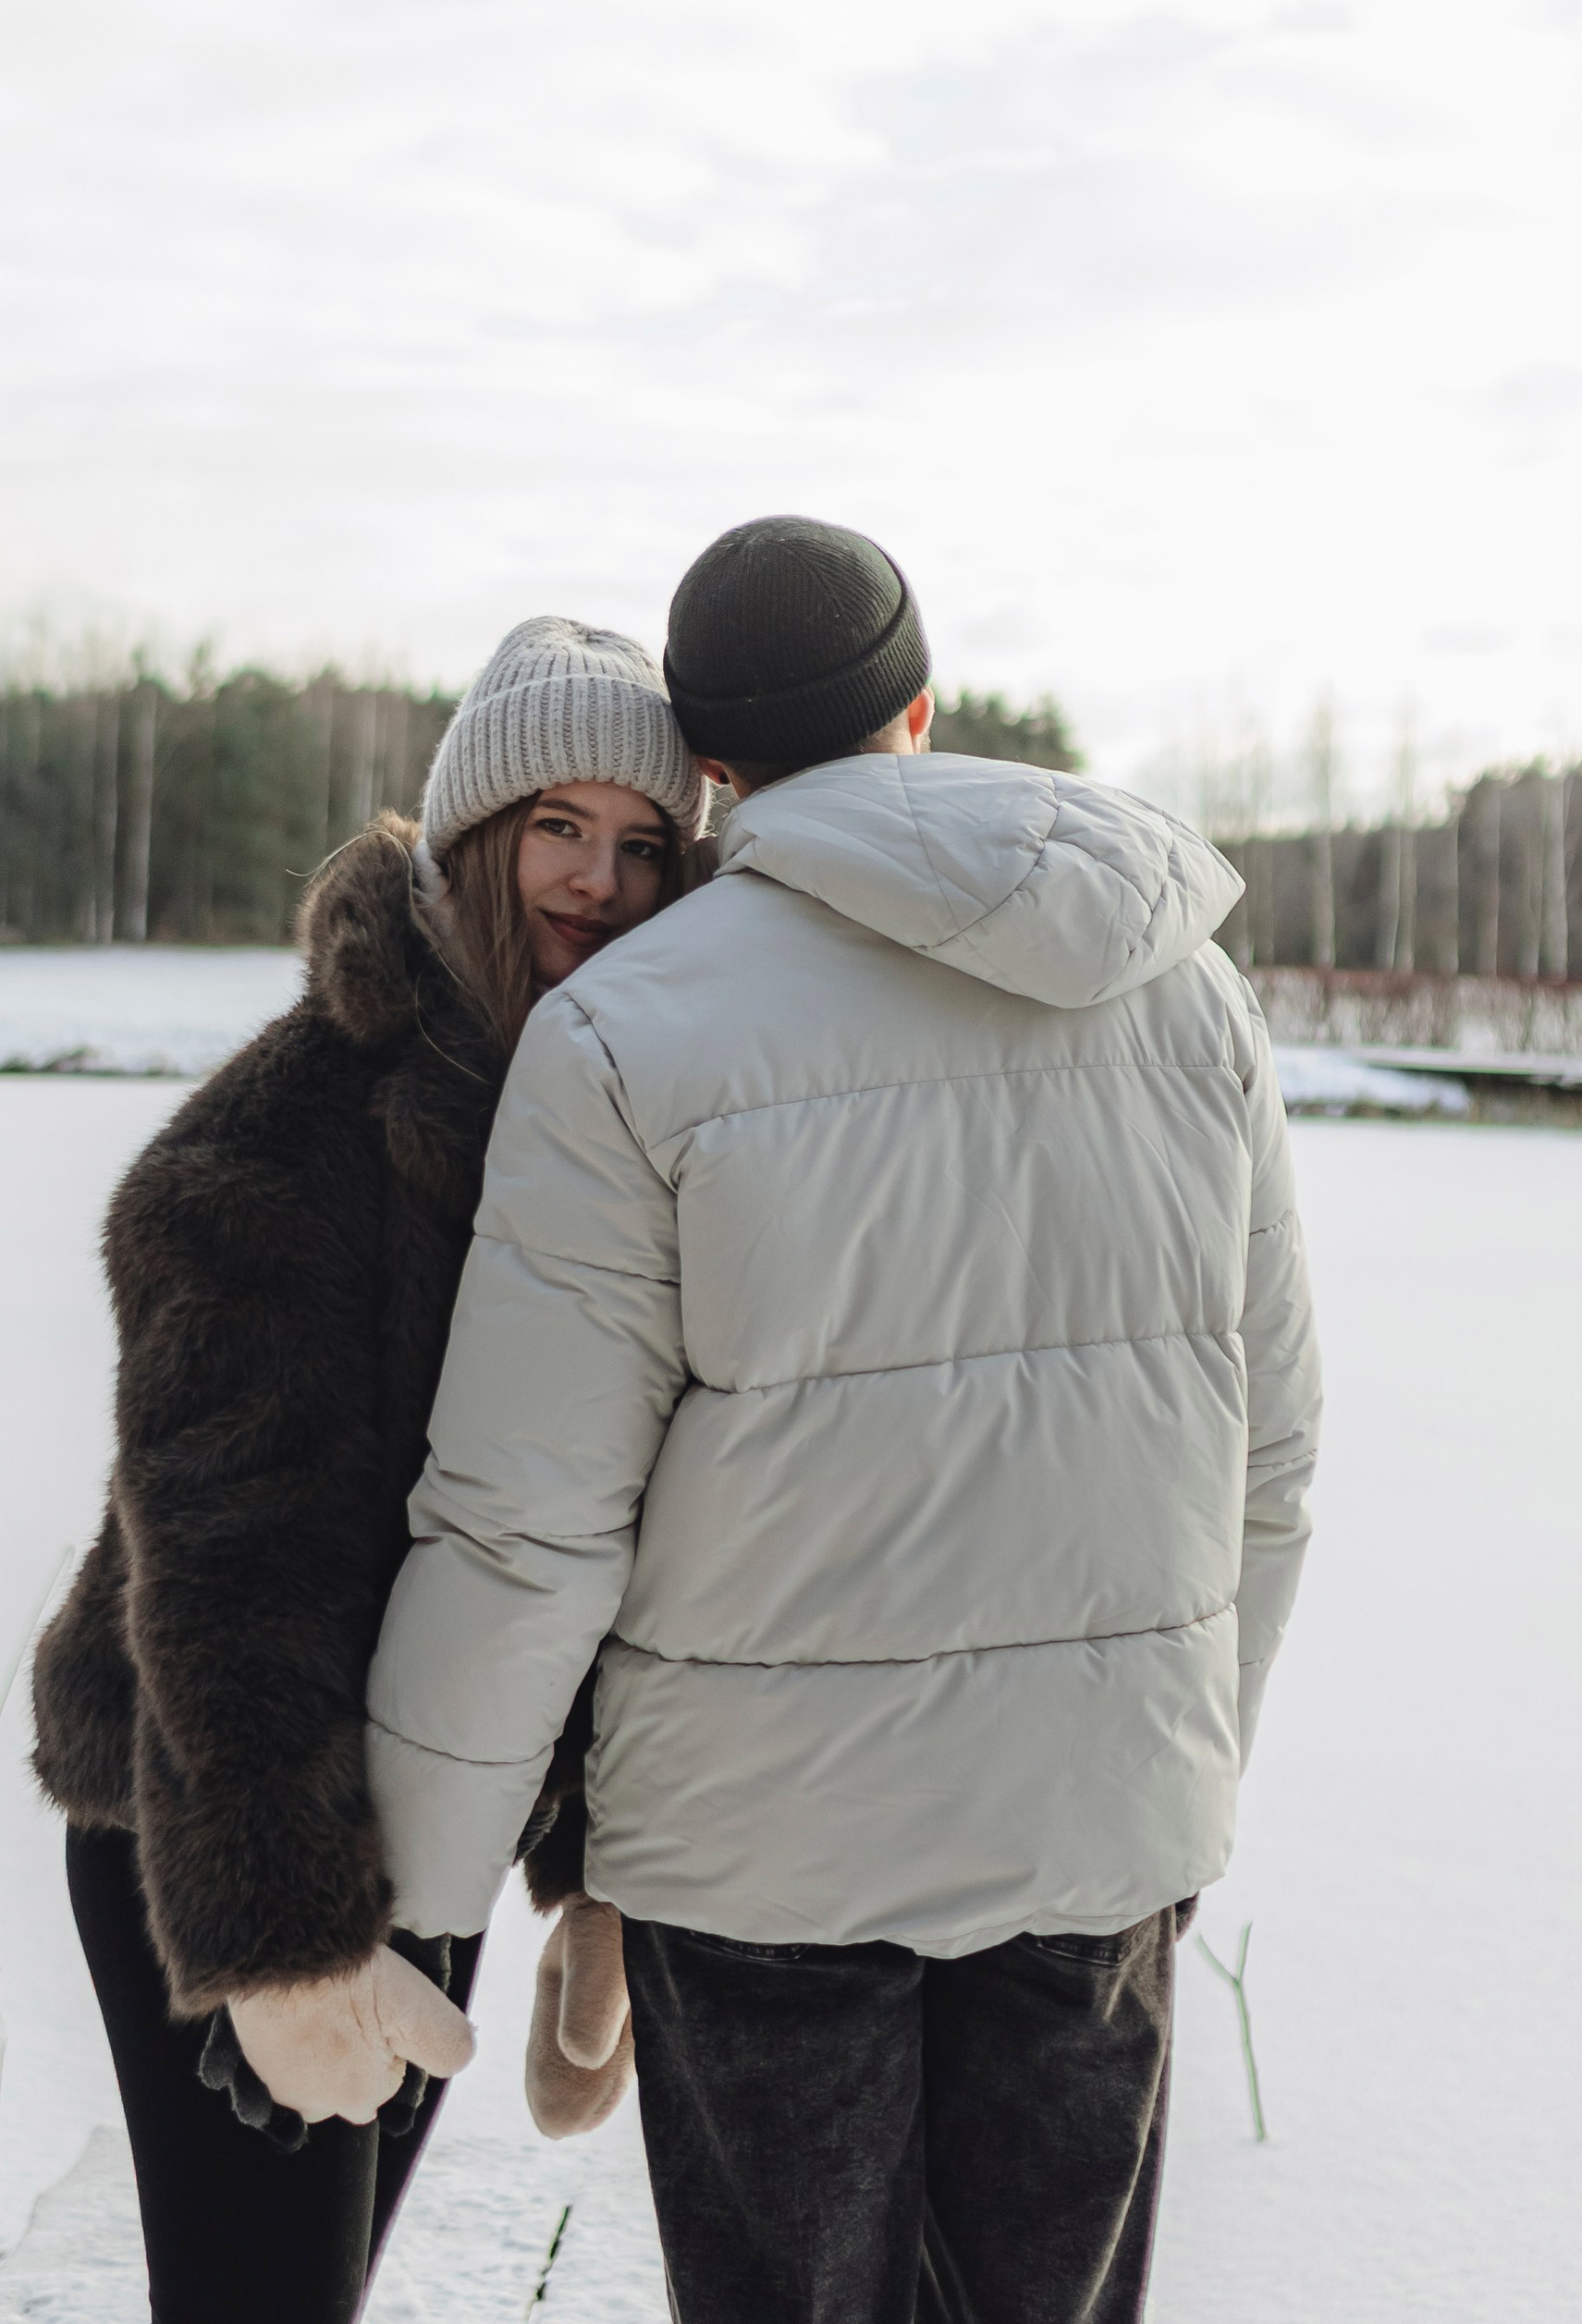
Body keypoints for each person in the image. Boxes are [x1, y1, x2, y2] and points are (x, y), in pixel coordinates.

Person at [350, 514, 1323, 2324]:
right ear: (920, 711)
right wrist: (1172, 1774)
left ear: (706, 772)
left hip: (755, 1861)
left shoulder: (628, 1029)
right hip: (1095, 1830)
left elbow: (525, 1525)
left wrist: (404, 1904)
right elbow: (1266, 1457)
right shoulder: (1188, 988)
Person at [29, 616, 702, 2324]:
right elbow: (228, 1558)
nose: (598, 883)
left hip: (430, 1818)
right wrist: (278, 1935)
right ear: (477, 833)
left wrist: (587, 1864)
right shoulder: (295, 1127)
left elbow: (586, 1523)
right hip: (229, 1816)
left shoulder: (600, 1119)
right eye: (559, 828)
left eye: (641, 846)